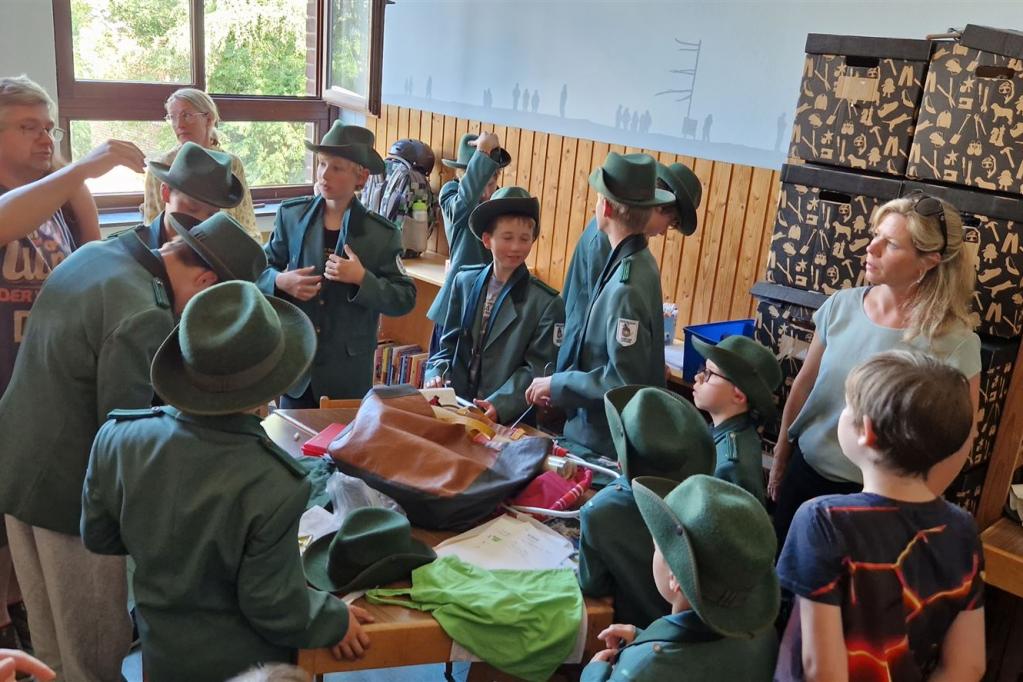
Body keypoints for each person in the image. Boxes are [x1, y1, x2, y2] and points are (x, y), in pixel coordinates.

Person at [0, 211, 265, 681]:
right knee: (95, 657)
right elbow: (127, 442)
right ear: (205, 281)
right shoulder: (144, 312)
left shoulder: (98, 253)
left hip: (15, 466)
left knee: (50, 654)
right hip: (69, 499)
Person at [82, 281, 372, 681]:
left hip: (161, 656)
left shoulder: (117, 438)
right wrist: (333, 618)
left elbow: (100, 537)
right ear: (271, 385)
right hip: (246, 667)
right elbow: (273, 605)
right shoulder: (274, 481)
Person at [0, 73, 146, 659]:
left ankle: (27, 625)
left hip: (45, 391)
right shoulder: (29, 196)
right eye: (27, 127)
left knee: (26, 532)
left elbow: (94, 263)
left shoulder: (58, 193)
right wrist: (80, 168)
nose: (45, 138)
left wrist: (72, 178)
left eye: (51, 128)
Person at [768, 194, 981, 547]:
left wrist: (912, 507)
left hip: (878, 501)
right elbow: (804, 386)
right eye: (876, 235)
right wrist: (781, 456)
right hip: (804, 475)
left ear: (928, 262)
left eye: (891, 244)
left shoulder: (956, 343)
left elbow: (961, 442)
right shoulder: (841, 305)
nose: (872, 248)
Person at [776, 351, 985, 682]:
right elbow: (968, 665)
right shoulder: (962, 529)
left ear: (867, 431)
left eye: (847, 406)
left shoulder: (822, 520)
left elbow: (820, 669)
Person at [525, 152, 674, 464]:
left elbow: (621, 382)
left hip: (601, 440)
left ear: (605, 208)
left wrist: (557, 383)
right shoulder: (636, 262)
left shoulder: (626, 286)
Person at [258, 121, 415, 406]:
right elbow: (257, 270)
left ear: (361, 177)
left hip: (347, 375)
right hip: (297, 370)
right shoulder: (291, 216)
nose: (324, 174)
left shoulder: (382, 234)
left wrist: (362, 279)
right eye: (321, 164)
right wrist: (280, 281)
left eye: (337, 168)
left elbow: (404, 298)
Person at [581, 475, 779, 681]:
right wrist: (642, 639)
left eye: (656, 548)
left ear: (674, 577)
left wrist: (594, 672)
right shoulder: (764, 635)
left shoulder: (639, 670)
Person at [423, 187, 564, 424]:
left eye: (524, 239)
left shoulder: (546, 303)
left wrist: (500, 404)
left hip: (506, 419)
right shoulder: (464, 282)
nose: (516, 247)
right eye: (507, 238)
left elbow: (536, 369)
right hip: (455, 407)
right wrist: (436, 373)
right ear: (487, 240)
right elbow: (447, 344)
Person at [578, 386, 714, 629]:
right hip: (695, 631)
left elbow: (593, 588)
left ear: (621, 459)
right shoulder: (706, 501)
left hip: (628, 633)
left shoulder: (600, 512)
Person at [556, 161, 701, 372]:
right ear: (657, 206)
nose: (663, 232)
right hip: (584, 358)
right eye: (669, 223)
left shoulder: (634, 249)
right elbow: (593, 319)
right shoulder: (606, 239)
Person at [425, 132, 511, 355]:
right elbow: (462, 211)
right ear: (461, 175)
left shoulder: (501, 200)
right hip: (455, 306)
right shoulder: (450, 193)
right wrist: (482, 153)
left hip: (490, 306)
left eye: (492, 183)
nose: (486, 192)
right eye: (481, 183)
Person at [142, 87, 259, 241]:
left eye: (186, 115)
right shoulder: (161, 168)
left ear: (209, 119)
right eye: (172, 117)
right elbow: (152, 229)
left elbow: (247, 223)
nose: (179, 124)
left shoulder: (230, 164)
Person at [691, 335, 781, 505]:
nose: (698, 377)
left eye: (709, 373)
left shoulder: (730, 467)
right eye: (703, 368)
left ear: (738, 396)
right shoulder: (738, 429)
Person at [136, 140, 244, 247]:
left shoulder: (223, 250)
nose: (201, 221)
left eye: (211, 215)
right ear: (165, 193)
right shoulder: (133, 251)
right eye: (192, 208)